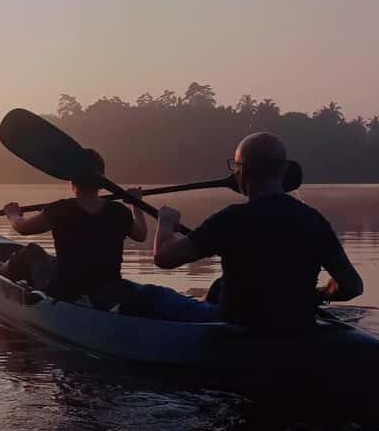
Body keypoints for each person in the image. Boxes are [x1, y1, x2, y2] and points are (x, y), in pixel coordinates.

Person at [152, 132, 363, 328]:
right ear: (283, 171)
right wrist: (320, 293)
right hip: (297, 326)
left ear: (242, 172)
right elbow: (352, 286)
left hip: (236, 330)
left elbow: (164, 258)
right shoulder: (314, 221)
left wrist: (165, 222)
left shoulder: (231, 220)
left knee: (149, 296)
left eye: (235, 166)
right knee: (219, 286)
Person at [0, 149, 147, 310]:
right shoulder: (119, 212)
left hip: (66, 293)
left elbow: (22, 228)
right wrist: (136, 204)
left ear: (72, 181)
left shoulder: (60, 210)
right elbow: (141, 234)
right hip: (109, 293)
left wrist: (12, 214)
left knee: (30, 252)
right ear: (101, 182)